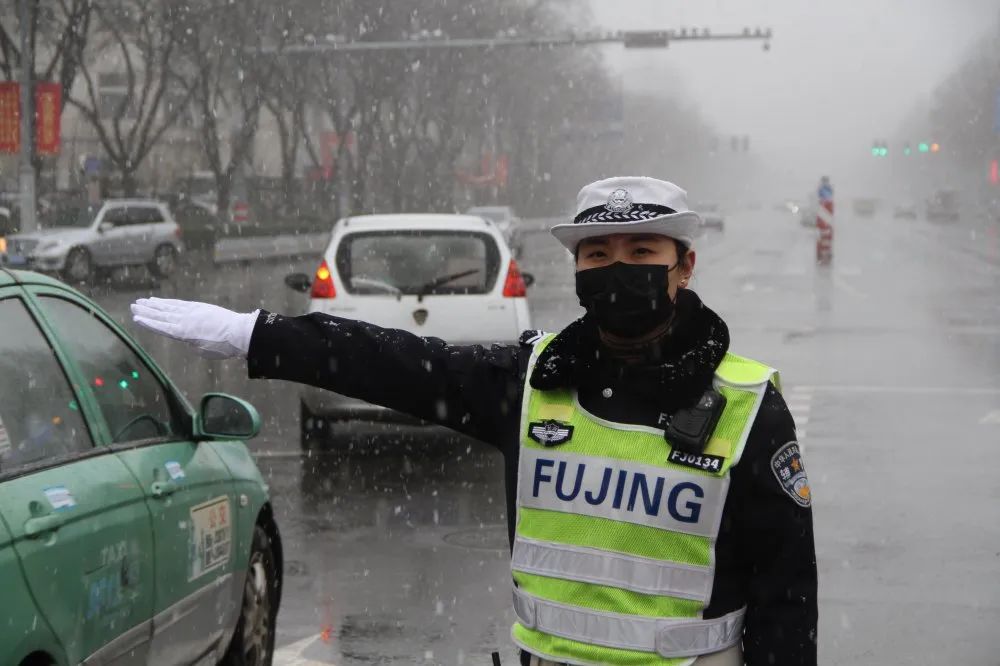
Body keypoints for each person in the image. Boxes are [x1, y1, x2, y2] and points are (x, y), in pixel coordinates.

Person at [132, 177, 817, 666]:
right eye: (598, 257)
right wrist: (261, 336)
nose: (618, 273)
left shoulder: (746, 406)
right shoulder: (534, 383)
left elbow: (786, 596)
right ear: (576, 269)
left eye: (641, 255)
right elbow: (394, 364)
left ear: (683, 267)